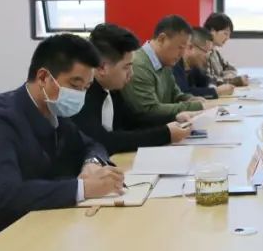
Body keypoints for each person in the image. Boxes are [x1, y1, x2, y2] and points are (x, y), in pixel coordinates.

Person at [0, 35, 123, 241]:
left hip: (32, 223)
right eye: (75, 84)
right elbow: (5, 195)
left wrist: (92, 163)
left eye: (86, 88)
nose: (80, 94)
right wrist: (83, 188)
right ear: (44, 77)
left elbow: (92, 144)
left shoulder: (52, 111)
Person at [73, 23, 193, 154]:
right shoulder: (82, 94)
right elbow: (105, 141)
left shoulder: (111, 90)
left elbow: (133, 121)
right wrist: (165, 134)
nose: (131, 73)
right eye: (126, 67)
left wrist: (175, 118)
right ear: (102, 68)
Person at [122, 15, 207, 121]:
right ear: (162, 39)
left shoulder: (165, 62)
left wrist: (190, 99)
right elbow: (149, 110)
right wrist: (198, 106)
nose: (182, 54)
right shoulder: (138, 65)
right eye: (180, 47)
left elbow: (175, 95)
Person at [174, 28, 235, 99]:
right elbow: (183, 93)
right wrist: (216, 91)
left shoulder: (194, 67)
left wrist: (214, 87)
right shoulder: (174, 64)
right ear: (190, 47)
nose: (208, 57)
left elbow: (206, 82)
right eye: (206, 52)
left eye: (210, 52)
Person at [203, 12, 248, 87]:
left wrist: (228, 76)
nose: (227, 38)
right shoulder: (202, 53)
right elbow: (208, 82)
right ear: (212, 31)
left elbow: (230, 68)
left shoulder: (215, 52)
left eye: (229, 35)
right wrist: (232, 81)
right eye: (225, 34)